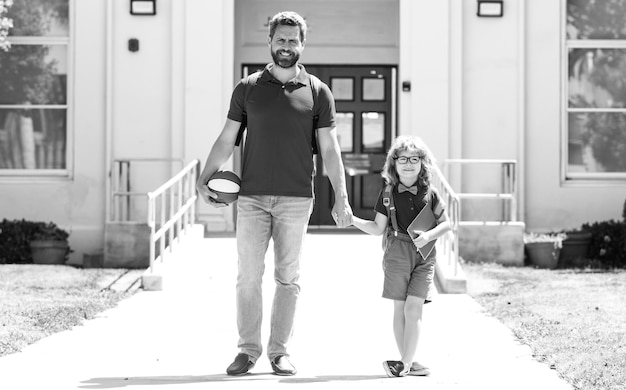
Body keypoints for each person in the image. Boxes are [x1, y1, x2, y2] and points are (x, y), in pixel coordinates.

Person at [195, 11, 353, 377]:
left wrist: (340, 196)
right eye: (280, 39)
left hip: (297, 198)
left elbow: (330, 149)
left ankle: (279, 352)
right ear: (270, 42)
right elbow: (226, 137)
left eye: (292, 40)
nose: (286, 46)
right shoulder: (248, 87)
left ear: (302, 44)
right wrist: (204, 177)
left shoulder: (317, 91)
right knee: (248, 276)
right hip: (250, 198)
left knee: (288, 277)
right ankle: (247, 351)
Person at [350, 135, 451, 377]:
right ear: (393, 163)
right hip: (396, 251)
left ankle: (404, 363)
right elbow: (377, 228)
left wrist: (429, 237)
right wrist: (351, 220)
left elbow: (446, 224)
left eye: (414, 158)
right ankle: (408, 361)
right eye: (402, 159)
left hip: (424, 254)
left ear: (423, 163)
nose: (408, 163)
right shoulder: (387, 194)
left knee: (414, 308)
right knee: (400, 309)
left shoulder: (431, 193)